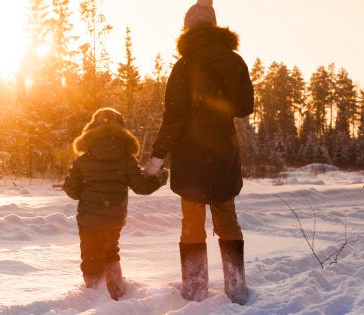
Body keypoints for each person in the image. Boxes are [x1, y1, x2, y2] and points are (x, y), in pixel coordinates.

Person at [143, 0, 254, 305]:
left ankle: (194, 290)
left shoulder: (185, 65)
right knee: (227, 218)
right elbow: (245, 108)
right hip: (224, 153)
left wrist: (156, 158)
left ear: (189, 27)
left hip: (191, 155)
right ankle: (236, 287)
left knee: (192, 222)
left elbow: (173, 117)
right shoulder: (235, 61)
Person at [63, 107, 169, 301]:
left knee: (90, 255)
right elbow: (142, 187)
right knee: (111, 251)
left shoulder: (83, 160)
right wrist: (161, 177)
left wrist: (76, 184)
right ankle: (116, 292)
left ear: (91, 128)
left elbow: (72, 192)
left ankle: (94, 296)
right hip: (114, 217)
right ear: (122, 130)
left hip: (89, 219)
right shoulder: (127, 159)